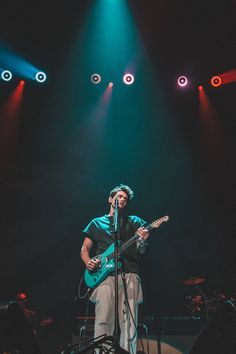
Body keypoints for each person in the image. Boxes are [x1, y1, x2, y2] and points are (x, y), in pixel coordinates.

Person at [80, 184, 149, 353]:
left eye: (125, 199)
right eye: (119, 196)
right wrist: (88, 262)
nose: (122, 200)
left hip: (129, 275)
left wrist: (142, 240)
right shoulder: (97, 223)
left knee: (129, 324)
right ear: (110, 199)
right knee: (103, 321)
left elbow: (141, 249)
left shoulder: (134, 221)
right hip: (104, 278)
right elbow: (84, 250)